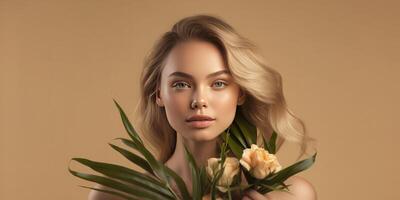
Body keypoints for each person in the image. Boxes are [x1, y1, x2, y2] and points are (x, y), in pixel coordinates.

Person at [89, 14, 317, 200]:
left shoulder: (290, 195)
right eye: (181, 84)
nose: (199, 100)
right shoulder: (116, 195)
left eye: (218, 83)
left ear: (240, 93)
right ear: (159, 94)